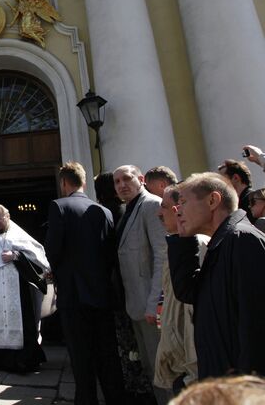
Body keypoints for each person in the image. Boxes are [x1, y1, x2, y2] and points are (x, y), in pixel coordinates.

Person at [168, 172, 265, 378]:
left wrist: (247, 388)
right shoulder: (221, 243)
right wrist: (183, 240)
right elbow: (188, 292)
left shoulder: (242, 240)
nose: (177, 210)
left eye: (183, 202)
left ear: (212, 200)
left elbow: (256, 326)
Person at [45, 162, 124, 405]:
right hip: (102, 294)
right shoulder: (105, 211)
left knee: (81, 358)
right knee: (107, 356)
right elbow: (112, 253)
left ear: (64, 183)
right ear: (84, 182)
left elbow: (52, 250)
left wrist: (57, 272)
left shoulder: (59, 206)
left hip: (73, 295)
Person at [113, 165, 168, 404]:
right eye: (117, 182)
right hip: (136, 304)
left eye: (127, 178)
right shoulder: (128, 210)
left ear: (141, 179)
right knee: (149, 365)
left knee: (163, 369)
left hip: (150, 306)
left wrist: (154, 303)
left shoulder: (151, 205)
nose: (122, 185)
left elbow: (162, 255)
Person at [153, 186, 209, 396]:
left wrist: (190, 376)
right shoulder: (178, 245)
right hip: (181, 364)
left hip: (190, 369)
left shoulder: (196, 246)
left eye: (164, 207)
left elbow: (189, 314)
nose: (160, 213)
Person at [0, 204, 48, 373]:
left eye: (0, 219)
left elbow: (35, 254)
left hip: (17, 286)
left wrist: (15, 255)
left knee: (22, 320)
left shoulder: (17, 234)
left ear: (8, 216)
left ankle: (24, 359)